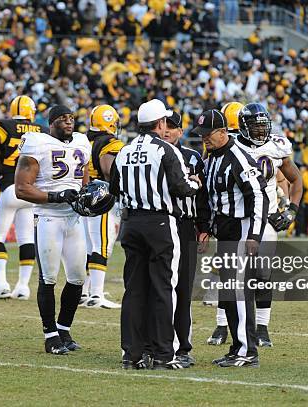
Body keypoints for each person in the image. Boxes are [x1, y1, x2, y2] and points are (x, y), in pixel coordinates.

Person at [109, 99, 200, 370]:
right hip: (160, 223)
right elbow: (181, 188)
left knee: (134, 290)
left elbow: (114, 188)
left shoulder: (124, 151)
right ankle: (163, 354)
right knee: (164, 288)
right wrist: (195, 184)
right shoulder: (165, 149)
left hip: (131, 224)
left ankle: (132, 354)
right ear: (160, 123)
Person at [193, 108, 269, 368]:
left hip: (240, 232)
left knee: (238, 292)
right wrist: (203, 227)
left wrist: (255, 235)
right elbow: (205, 196)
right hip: (224, 233)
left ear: (223, 131)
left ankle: (248, 351)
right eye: (201, 134)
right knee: (228, 294)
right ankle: (237, 347)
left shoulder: (239, 157)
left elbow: (258, 196)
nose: (204, 138)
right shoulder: (211, 157)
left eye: (207, 134)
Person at [14, 105, 91, 355]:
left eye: (71, 118)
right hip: (48, 217)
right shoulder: (37, 143)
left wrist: (89, 198)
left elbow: (85, 179)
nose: (69, 123)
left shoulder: (82, 141)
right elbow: (22, 189)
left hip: (73, 218)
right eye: (63, 119)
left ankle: (64, 329)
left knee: (78, 276)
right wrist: (56, 196)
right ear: (51, 123)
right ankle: (50, 336)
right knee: (48, 277)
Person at [0, 96, 45, 300]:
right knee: (26, 238)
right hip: (31, 190)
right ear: (30, 111)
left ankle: (0, 283)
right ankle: (23, 286)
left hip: (8, 186)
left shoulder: (4, 125)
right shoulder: (41, 131)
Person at [160, 110, 211, 367]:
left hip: (185, 226)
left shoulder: (192, 157)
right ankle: (159, 344)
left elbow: (203, 198)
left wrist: (204, 227)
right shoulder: (152, 154)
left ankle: (183, 345)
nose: (167, 130)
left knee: (183, 289)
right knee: (159, 287)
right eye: (164, 126)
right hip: (159, 226)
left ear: (181, 132)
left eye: (173, 127)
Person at [80, 105, 124, 309]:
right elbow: (108, 170)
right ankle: (96, 295)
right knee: (101, 246)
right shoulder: (110, 143)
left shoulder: (85, 140)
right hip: (102, 198)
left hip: (85, 198)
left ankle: (85, 291)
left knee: (90, 247)